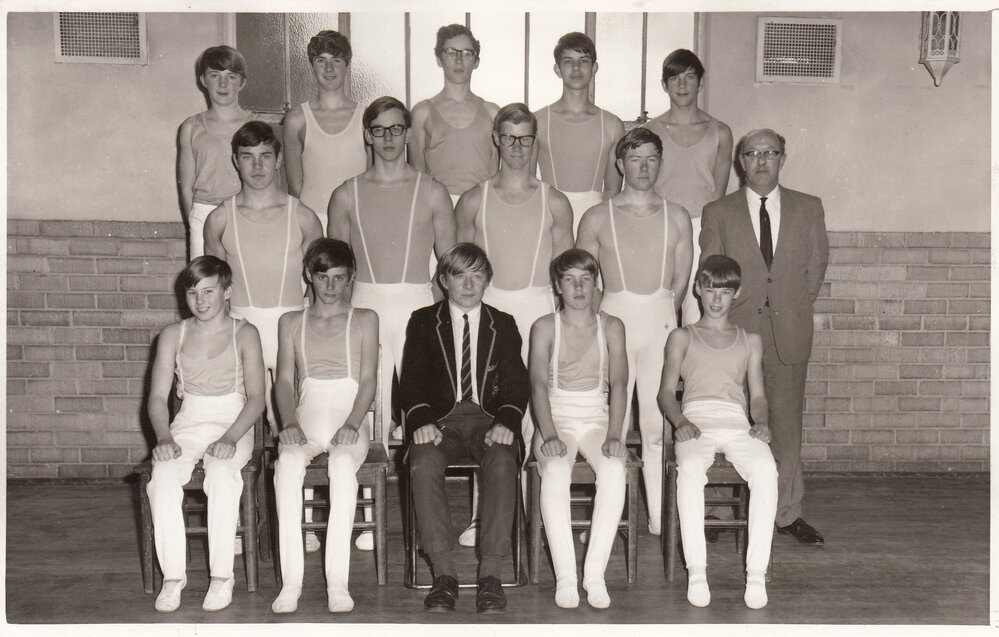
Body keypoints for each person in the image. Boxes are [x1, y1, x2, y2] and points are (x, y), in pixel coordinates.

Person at [699, 128, 829, 546]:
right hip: (736, 336)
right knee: (729, 421)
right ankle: (719, 510)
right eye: (752, 154)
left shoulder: (809, 208)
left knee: (787, 425)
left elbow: (815, 268)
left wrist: (787, 307)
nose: (760, 161)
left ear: (782, 158)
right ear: (740, 162)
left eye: (769, 153)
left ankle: (787, 514)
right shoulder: (719, 211)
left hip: (788, 334)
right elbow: (711, 270)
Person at [454, 103, 573, 547]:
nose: (517, 146)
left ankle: (536, 515)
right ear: (496, 141)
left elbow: (564, 274)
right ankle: (482, 517)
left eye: (525, 137)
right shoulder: (473, 200)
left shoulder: (555, 202)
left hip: (539, 312)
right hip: (488, 316)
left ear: (536, 140)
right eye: (509, 137)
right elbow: (461, 272)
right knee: (487, 414)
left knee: (537, 416)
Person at [400, 243, 529, 614]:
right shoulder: (424, 321)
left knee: (504, 462)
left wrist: (507, 421)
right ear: (444, 280)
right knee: (422, 462)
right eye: (459, 275)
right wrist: (421, 419)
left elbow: (517, 382)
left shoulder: (502, 323)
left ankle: (490, 575)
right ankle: (444, 574)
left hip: (489, 421)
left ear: (488, 279)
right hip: (441, 422)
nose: (469, 284)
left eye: (477, 275)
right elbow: (411, 379)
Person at [576, 127, 692, 536]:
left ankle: (660, 518)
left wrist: (660, 318)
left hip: (659, 324)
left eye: (652, 159)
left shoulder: (676, 216)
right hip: (614, 324)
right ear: (620, 164)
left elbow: (679, 284)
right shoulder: (595, 217)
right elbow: (585, 285)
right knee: (615, 426)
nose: (644, 168)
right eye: (635, 159)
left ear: (661, 162)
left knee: (657, 427)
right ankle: (608, 519)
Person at [329, 96, 456, 443]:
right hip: (364, 304)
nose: (388, 138)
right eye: (379, 130)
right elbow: (336, 269)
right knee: (369, 414)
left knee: (421, 415)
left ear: (409, 134)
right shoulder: (346, 194)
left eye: (396, 129)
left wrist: (432, 297)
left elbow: (449, 263)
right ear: (368, 136)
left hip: (416, 303)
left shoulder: (432, 191)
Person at [145, 256, 265, 612]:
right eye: (193, 292)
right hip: (189, 420)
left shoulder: (245, 332)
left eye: (209, 291)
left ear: (227, 292)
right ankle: (173, 578)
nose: (200, 300)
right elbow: (155, 397)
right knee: (163, 476)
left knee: (222, 473)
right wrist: (164, 438)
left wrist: (231, 436)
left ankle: (221, 577)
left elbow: (257, 398)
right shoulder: (172, 334)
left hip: (233, 419)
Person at [658, 254, 778, 609]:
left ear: (736, 293)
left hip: (738, 423)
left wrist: (761, 423)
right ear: (697, 289)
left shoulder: (750, 340)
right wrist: (680, 423)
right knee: (691, 470)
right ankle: (697, 570)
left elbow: (757, 395)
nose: (716, 299)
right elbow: (665, 393)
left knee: (767, 470)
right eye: (709, 289)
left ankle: (755, 574)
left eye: (724, 292)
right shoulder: (682, 336)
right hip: (696, 421)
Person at [270, 239, 379, 614]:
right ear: (308, 276)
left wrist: (353, 422)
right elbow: (284, 382)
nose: (330, 286)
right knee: (286, 465)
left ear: (351, 278)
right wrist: (287, 423)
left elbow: (368, 382)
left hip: (350, 417)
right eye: (322, 277)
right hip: (306, 416)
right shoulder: (291, 322)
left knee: (341, 464)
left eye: (339, 278)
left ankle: (337, 582)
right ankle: (291, 582)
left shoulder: (365, 319)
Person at [204, 120, 323, 436]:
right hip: (242, 336)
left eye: (265, 156)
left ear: (279, 160)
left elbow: (320, 293)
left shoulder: (303, 217)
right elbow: (213, 295)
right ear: (235, 160)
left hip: (292, 335)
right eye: (247, 156)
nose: (257, 166)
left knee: (295, 435)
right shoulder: (218, 219)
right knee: (238, 438)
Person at [529, 248, 628, 609]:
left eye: (586, 279)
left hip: (597, 419)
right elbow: (538, 385)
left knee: (616, 470)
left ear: (595, 283)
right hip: (556, 418)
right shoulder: (544, 326)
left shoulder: (612, 326)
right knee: (555, 471)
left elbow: (619, 382)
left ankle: (595, 575)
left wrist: (616, 434)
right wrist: (549, 434)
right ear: (557, 286)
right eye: (569, 280)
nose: (578, 287)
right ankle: (567, 578)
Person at [643, 49, 734, 326]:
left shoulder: (720, 132)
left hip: (701, 229)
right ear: (664, 85)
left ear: (701, 83)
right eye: (674, 78)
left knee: (697, 315)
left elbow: (719, 196)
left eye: (690, 77)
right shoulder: (650, 130)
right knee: (659, 309)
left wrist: (711, 241)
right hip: (660, 226)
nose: (682, 85)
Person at [534, 32, 625, 233]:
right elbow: (528, 181)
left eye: (583, 61)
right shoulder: (539, 121)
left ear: (594, 68)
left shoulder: (612, 125)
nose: (576, 68)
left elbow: (612, 190)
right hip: (549, 219)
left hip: (595, 220)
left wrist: (601, 229)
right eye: (568, 61)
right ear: (557, 69)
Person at [283, 30, 369, 235]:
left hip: (355, 219)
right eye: (321, 60)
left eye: (336, 60)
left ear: (347, 65)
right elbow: (295, 186)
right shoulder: (296, 119)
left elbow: (371, 178)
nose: (328, 68)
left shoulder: (365, 118)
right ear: (312, 65)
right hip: (312, 221)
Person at [410, 24, 499, 206]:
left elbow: (494, 177)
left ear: (476, 62)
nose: (458, 60)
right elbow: (417, 179)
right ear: (439, 59)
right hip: (437, 208)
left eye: (467, 53)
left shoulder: (492, 113)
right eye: (451, 52)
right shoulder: (422, 112)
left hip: (479, 208)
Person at [177, 45, 253, 260]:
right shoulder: (191, 127)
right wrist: (195, 219)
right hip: (204, 213)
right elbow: (186, 186)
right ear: (203, 80)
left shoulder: (255, 124)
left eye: (231, 76)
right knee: (206, 285)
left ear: (242, 82)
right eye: (214, 75)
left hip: (245, 212)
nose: (222, 83)